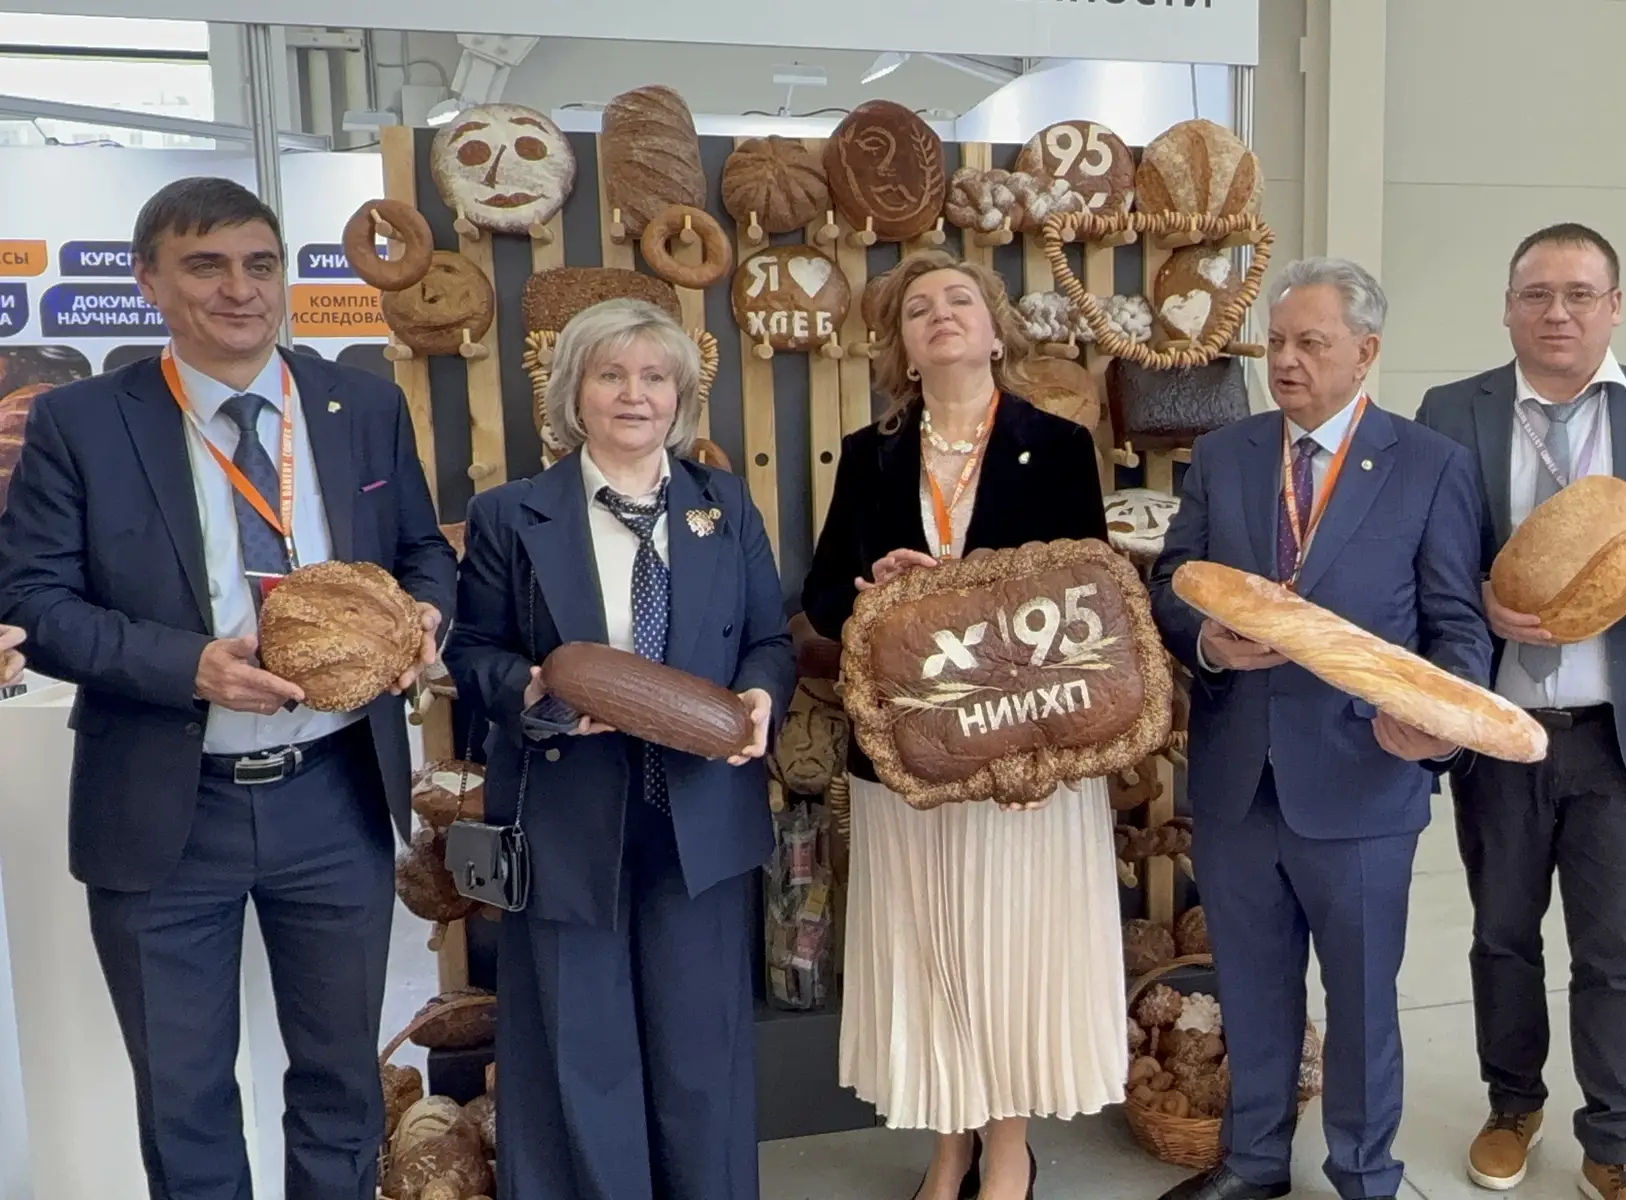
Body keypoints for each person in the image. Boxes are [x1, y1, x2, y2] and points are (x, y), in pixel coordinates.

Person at [0, 176, 455, 1199]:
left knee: (341, 1084)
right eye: (205, 266)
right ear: (148, 281)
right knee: (184, 1097)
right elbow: (33, 598)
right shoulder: (81, 422)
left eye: (260, 264)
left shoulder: (360, 405)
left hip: (334, 793)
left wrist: (425, 616)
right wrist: (187, 667)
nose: (239, 290)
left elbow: (423, 551)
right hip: (167, 802)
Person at [1416, 224, 1626, 1200]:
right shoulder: (1454, 411)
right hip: (1501, 733)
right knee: (1502, 935)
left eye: (1579, 294)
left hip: (1618, 735)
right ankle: (1510, 1106)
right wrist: (1475, 595)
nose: (1557, 313)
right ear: (1507, 307)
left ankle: (1615, 1144)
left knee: (1616, 952)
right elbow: (1424, 547)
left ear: (1615, 306)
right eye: (1536, 294)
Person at [1148, 257, 1494, 1200]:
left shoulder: (1428, 464)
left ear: (1365, 352)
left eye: (1310, 343)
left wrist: (1439, 727)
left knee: (1362, 1000)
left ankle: (1364, 1174)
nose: (1285, 362)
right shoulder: (1225, 455)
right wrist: (1206, 641)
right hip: (1237, 778)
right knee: (1252, 988)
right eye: (1275, 343)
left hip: (1362, 776)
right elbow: (1171, 581)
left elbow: (1456, 625)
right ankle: (1253, 1162)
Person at [443, 297, 792, 1199]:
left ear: (678, 397)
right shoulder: (510, 514)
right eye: (610, 375)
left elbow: (767, 639)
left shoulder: (725, 505)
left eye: (654, 377)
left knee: (700, 1055)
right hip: (566, 813)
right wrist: (531, 690)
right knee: (580, 1052)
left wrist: (760, 697)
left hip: (698, 815)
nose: (634, 395)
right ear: (574, 394)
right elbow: (472, 651)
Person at [801, 249, 1120, 1200]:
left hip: (1024, 747)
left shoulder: (1055, 446)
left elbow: (1090, 591)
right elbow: (821, 597)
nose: (939, 314)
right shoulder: (869, 454)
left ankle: (1008, 1145)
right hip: (909, 755)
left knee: (1009, 950)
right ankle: (949, 1143)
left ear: (993, 331)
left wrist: (974, 594)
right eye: (917, 309)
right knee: (929, 948)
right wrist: (875, 593)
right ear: (902, 347)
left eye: (959, 300)